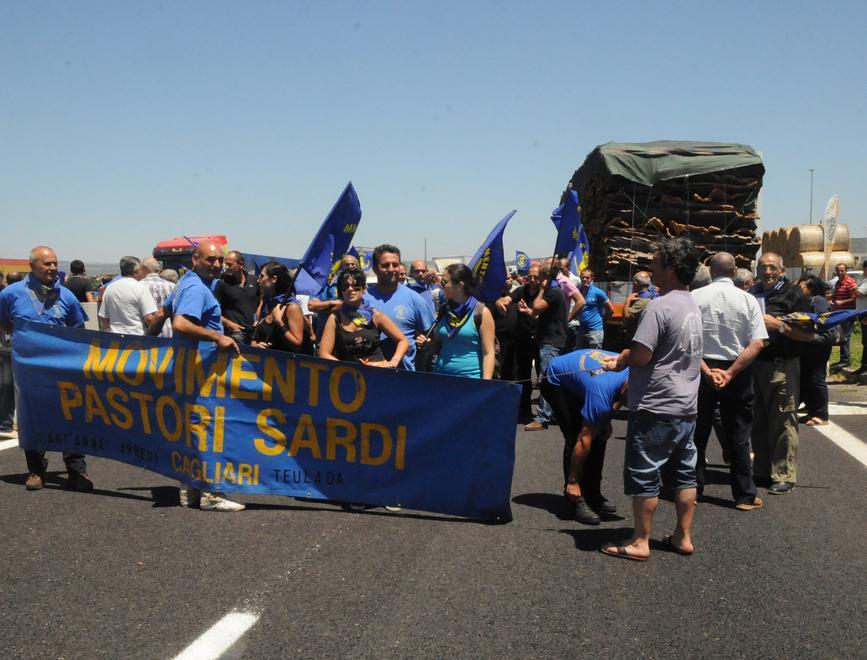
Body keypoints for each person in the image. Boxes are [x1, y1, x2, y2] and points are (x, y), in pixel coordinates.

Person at [601, 237, 703, 561]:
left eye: (655, 263)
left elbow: (642, 355)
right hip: (687, 404)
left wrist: (621, 359)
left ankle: (640, 542)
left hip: (656, 404)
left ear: (671, 269)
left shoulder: (659, 306)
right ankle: (683, 536)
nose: (650, 268)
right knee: (685, 472)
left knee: (645, 473)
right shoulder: (692, 304)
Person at [0, 247, 91, 490]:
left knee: (70, 415)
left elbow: (78, 328)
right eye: (46, 264)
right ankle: (36, 470)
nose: (52, 268)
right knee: (32, 416)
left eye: (54, 263)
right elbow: (4, 321)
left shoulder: (67, 295)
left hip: (63, 368)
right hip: (28, 369)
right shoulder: (11, 294)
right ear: (32, 266)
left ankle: (76, 471)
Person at [171, 240, 244, 512]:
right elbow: (180, 323)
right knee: (210, 428)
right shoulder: (195, 288)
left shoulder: (187, 284)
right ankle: (211, 494)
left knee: (193, 427)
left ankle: (189, 488)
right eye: (210, 260)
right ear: (195, 259)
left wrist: (224, 323)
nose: (216, 265)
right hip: (201, 369)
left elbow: (165, 312)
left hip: (189, 367)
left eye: (219, 261)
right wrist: (217, 336)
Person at [691, 252, 767, 510]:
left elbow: (686, 342)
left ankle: (693, 488)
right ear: (734, 271)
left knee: (697, 432)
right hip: (737, 369)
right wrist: (731, 373)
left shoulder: (694, 298)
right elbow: (757, 342)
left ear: (710, 271)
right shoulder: (748, 300)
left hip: (702, 369)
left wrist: (707, 371)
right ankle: (744, 495)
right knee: (739, 433)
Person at [749, 252, 813, 495]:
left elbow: (808, 335)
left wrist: (779, 326)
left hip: (782, 365)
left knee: (783, 419)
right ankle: (762, 470)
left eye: (772, 267)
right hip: (755, 364)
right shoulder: (752, 293)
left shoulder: (794, 295)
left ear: (782, 269)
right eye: (763, 267)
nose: (767, 272)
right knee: (758, 420)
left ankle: (784, 474)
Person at [541, 349, 628, 525]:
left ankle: (593, 493)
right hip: (557, 381)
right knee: (576, 437)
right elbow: (584, 440)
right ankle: (574, 498)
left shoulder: (637, 373)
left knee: (600, 435)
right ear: (626, 388)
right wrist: (573, 481)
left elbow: (621, 398)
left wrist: (606, 420)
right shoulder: (602, 390)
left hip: (588, 378)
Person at [364, 244, 435, 370]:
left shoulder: (415, 299)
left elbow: (432, 336)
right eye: (385, 265)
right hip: (369, 375)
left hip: (404, 377)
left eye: (395, 265)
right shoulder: (363, 300)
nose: (391, 269)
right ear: (375, 268)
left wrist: (423, 340)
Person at [418, 264, 495, 379]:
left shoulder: (481, 312)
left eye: (444, 282)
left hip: (471, 380)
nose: (440, 285)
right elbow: (440, 343)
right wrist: (428, 343)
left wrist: (485, 384)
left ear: (459, 286)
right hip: (442, 378)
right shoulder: (444, 309)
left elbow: (489, 353)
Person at [319, 268, 408, 367]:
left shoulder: (375, 315)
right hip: (348, 374)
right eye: (345, 286)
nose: (350, 289)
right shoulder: (334, 318)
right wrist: (347, 367)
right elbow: (323, 354)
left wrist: (394, 361)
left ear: (363, 289)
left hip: (378, 373)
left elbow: (403, 341)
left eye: (356, 285)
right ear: (340, 291)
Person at [798, 276, 837, 425]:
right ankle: (811, 411)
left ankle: (821, 415)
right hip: (808, 345)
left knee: (816, 378)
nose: (799, 290)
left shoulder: (818, 301)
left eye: (802, 287)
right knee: (807, 378)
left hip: (819, 344)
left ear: (811, 289)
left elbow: (824, 324)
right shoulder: (807, 301)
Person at [250, 262, 313, 355]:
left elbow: (297, 344)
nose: (258, 281)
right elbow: (255, 340)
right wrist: (256, 346)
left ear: (274, 279)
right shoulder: (266, 304)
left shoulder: (292, 308)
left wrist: (279, 323)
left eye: (262, 276)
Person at [98, 256, 158, 335]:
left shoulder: (110, 288)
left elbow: (104, 318)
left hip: (115, 340)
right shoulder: (141, 288)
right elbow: (149, 318)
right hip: (137, 340)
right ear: (136, 271)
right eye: (141, 269)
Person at [308, 253, 359, 342]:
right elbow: (312, 306)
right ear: (342, 266)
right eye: (347, 264)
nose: (350, 266)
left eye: (352, 264)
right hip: (324, 333)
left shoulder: (361, 286)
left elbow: (349, 306)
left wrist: (323, 307)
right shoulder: (327, 285)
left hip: (347, 334)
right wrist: (332, 303)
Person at [214, 251, 259, 345]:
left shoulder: (254, 280)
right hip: (232, 335)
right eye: (225, 264)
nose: (226, 267)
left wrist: (258, 320)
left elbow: (260, 301)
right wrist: (230, 325)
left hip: (253, 335)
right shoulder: (222, 283)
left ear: (241, 264)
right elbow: (213, 311)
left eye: (229, 264)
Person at [830, 263, 858, 372]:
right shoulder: (837, 282)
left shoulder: (850, 282)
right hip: (839, 314)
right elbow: (835, 296)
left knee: (845, 337)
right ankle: (842, 359)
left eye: (842, 271)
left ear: (846, 271)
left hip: (848, 313)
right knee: (841, 336)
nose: (840, 273)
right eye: (838, 271)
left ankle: (846, 360)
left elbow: (856, 297)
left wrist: (842, 302)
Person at [576, 269, 614, 349]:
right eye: (582, 277)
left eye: (587, 277)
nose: (584, 279)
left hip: (595, 330)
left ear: (592, 278)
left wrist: (603, 321)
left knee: (594, 355)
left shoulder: (597, 292)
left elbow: (610, 309)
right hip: (582, 329)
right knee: (580, 355)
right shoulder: (578, 292)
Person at [140, 257, 175, 338]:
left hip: (150, 336)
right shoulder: (173, 286)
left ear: (145, 268)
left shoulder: (139, 286)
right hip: (170, 334)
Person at [621, 271, 657, 341]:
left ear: (635, 283)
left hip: (639, 340)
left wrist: (627, 300)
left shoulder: (643, 301)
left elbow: (626, 317)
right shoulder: (653, 295)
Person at [855, 259, 867, 377]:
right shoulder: (864, 280)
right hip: (863, 315)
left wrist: (855, 289)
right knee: (865, 341)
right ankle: (864, 365)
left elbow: (858, 293)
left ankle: (865, 366)